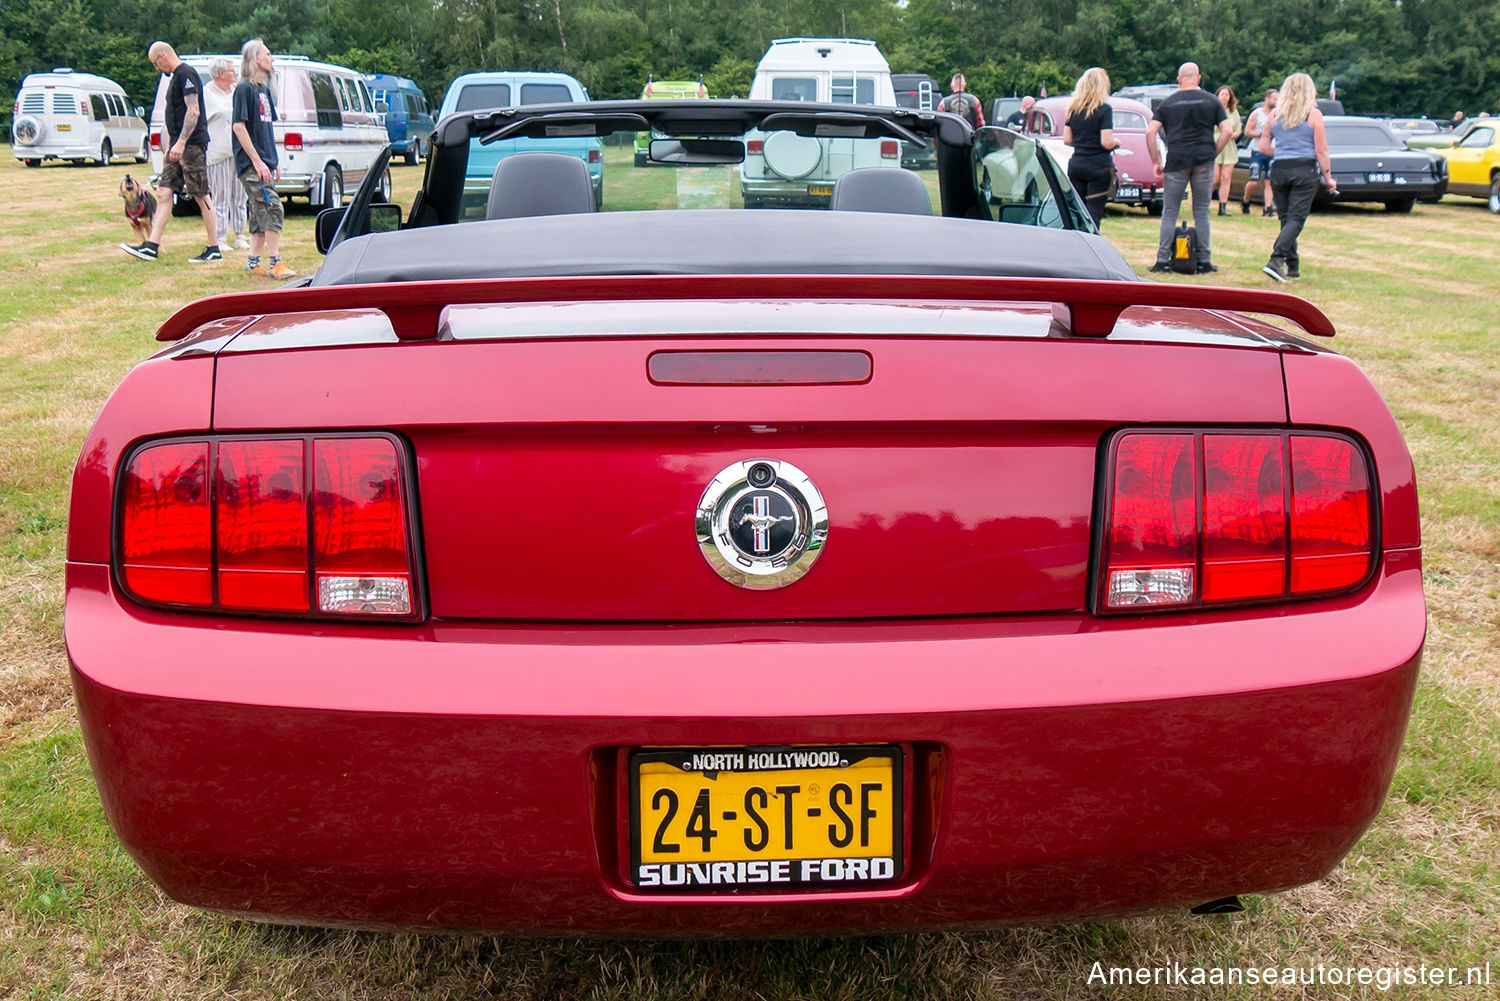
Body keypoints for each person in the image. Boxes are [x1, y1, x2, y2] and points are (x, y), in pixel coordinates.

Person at [121, 42, 219, 263]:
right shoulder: (176, 77)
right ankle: (151, 247)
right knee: (164, 193)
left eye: (155, 64)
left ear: (163, 57)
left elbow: (193, 111)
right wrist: (171, 146)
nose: (156, 69)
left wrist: (182, 142)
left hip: (191, 146)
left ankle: (214, 248)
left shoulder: (187, 74)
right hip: (176, 147)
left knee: (200, 195)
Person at [1145, 62, 1233, 275]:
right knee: (1201, 210)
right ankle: (1204, 260)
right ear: (1199, 79)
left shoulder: (1168, 103)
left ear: (1178, 80)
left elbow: (1150, 132)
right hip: (1203, 159)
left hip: (1176, 161)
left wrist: (1156, 161)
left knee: (1170, 211)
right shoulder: (1212, 101)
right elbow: (1228, 131)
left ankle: (1162, 259)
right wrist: (1213, 152)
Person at [1259, 73, 1336, 282]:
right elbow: (1321, 150)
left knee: (1286, 218)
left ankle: (1293, 265)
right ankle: (1276, 259)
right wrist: (1328, 178)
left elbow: (1264, 147)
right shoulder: (1313, 115)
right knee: (1296, 218)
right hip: (1304, 169)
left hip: (1280, 169)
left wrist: (1284, 151)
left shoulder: (1274, 115)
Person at [233, 39, 295, 279]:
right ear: (257, 59)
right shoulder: (244, 89)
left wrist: (274, 160)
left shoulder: (264, 90)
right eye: (268, 54)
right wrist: (258, 162)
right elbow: (239, 127)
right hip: (251, 164)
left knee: (259, 211)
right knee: (272, 207)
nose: (273, 58)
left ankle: (253, 263)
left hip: (265, 161)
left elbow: (266, 129)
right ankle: (275, 263)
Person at [1062, 67, 1119, 229]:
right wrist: (1117, 142)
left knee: (1078, 211)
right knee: (1094, 210)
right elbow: (1106, 142)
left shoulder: (1073, 109)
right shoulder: (1104, 109)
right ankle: (1092, 244)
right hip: (1098, 165)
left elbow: (1067, 139)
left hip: (1077, 165)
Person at [203, 57, 248, 252]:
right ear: (221, 74)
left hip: (237, 151)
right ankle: (220, 237)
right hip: (218, 152)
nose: (235, 73)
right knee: (220, 196)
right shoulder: (206, 93)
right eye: (231, 70)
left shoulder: (236, 91)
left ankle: (240, 234)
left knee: (240, 195)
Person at [1241, 89, 1278, 216]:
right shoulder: (1257, 113)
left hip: (1272, 151)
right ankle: (1246, 200)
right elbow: (1247, 132)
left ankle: (1268, 208)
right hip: (1257, 150)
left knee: (1270, 180)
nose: (1276, 102)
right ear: (1267, 99)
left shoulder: (1278, 115)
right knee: (1254, 181)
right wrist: (1262, 134)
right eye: (1274, 99)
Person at [1213, 85, 1241, 216]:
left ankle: (1222, 207)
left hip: (1229, 147)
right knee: (1214, 179)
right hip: (1215, 146)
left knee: (1226, 177)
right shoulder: (1213, 110)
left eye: (1227, 95)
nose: (1225, 97)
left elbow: (1239, 129)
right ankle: (1203, 203)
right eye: (1222, 94)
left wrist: (1233, 134)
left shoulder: (1233, 112)